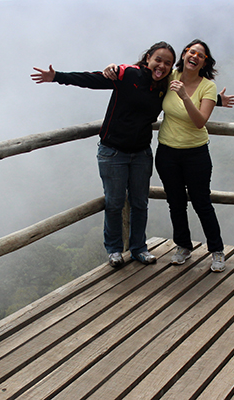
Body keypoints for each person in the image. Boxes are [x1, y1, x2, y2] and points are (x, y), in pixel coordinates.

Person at [31, 42, 175, 267]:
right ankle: (115, 250)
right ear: (148, 58)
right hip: (113, 152)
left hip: (141, 154)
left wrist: (216, 100)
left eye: (168, 63)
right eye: (158, 59)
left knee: (140, 203)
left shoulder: (165, 86)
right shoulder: (127, 74)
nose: (162, 65)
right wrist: (56, 76)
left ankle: (139, 248)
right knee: (115, 203)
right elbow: (92, 80)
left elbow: (188, 94)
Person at [105, 39, 228, 272]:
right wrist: (113, 68)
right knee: (176, 203)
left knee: (202, 202)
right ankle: (183, 246)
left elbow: (200, 120)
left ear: (205, 62)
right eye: (192, 52)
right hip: (167, 152)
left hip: (196, 153)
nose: (195, 57)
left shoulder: (207, 86)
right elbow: (143, 75)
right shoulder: (171, 76)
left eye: (200, 55)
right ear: (184, 54)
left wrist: (189, 97)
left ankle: (217, 251)